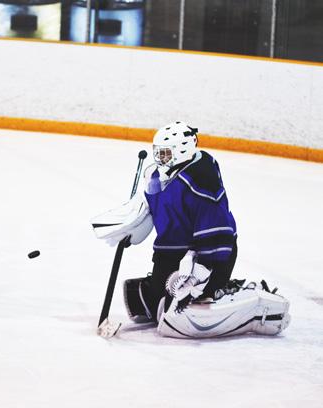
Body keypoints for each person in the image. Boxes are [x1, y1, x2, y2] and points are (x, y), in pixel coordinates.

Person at [92, 121, 290, 338]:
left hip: (208, 255)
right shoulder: (157, 176)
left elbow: (217, 231)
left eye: (165, 154)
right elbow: (154, 208)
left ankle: (244, 298)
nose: (160, 159)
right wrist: (131, 226)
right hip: (171, 252)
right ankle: (203, 290)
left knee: (180, 319)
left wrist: (199, 274)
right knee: (151, 304)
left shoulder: (202, 179)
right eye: (157, 153)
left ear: (182, 151)